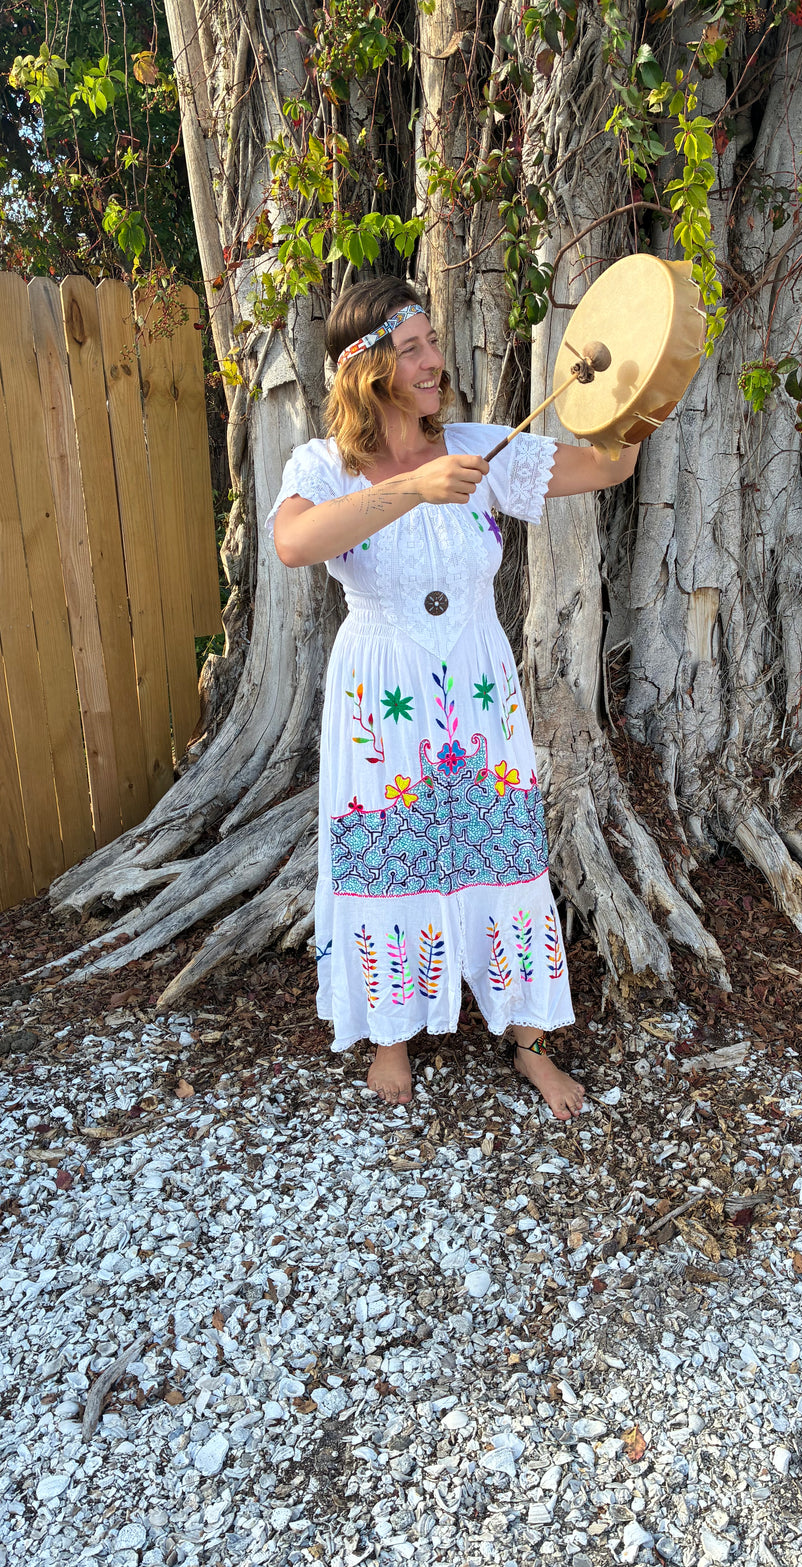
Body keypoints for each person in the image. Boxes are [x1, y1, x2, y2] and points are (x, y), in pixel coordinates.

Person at [270, 277, 638, 1117]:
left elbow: (611, 465)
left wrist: (640, 387)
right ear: (367, 370)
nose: (434, 360)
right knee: (389, 850)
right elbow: (292, 543)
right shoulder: (323, 466)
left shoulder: (481, 448)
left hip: (475, 681)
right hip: (380, 691)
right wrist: (414, 487)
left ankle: (530, 1042)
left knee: (503, 851)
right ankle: (391, 1036)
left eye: (433, 342)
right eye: (412, 348)